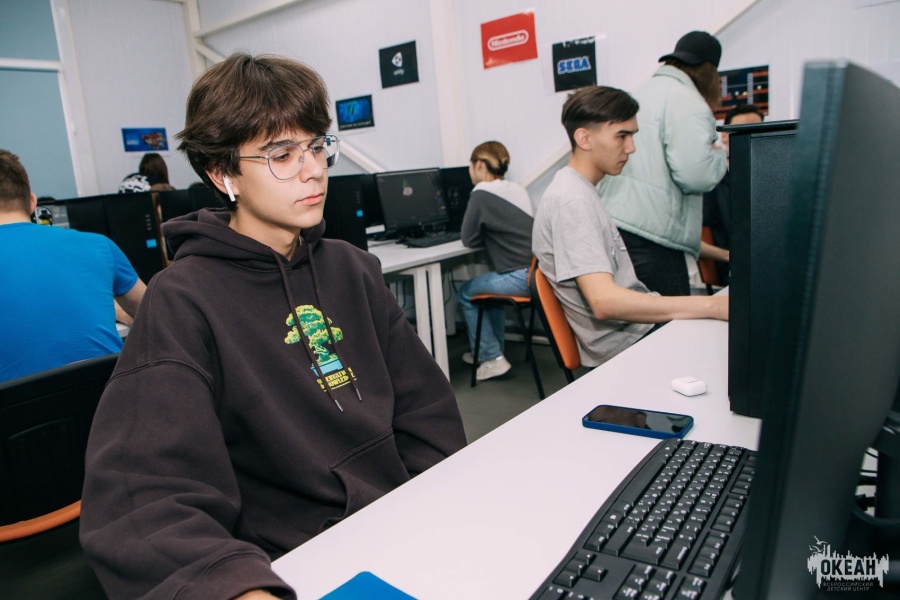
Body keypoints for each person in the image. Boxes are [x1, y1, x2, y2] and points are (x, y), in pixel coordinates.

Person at [79, 53, 467, 600]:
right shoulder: (183, 300)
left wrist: (427, 510)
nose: (313, 170)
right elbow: (143, 499)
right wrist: (236, 587)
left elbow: (427, 414)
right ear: (222, 175)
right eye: (282, 155)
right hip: (292, 564)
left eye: (316, 146)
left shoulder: (353, 269)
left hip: (402, 526)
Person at [532, 86, 728, 368]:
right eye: (621, 136)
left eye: (632, 136)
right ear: (584, 138)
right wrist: (712, 306)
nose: (631, 148)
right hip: (627, 346)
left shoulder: (584, 190)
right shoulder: (571, 200)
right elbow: (604, 302)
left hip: (636, 333)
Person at [599, 31, 728, 296]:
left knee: (639, 317)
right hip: (653, 235)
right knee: (670, 317)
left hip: (620, 227)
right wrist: (719, 156)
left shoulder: (642, 92)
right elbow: (696, 175)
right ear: (710, 71)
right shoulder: (689, 101)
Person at [0, 149, 146, 383]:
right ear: (32, 202)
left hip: (20, 405)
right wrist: (114, 310)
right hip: (112, 398)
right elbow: (155, 313)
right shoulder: (99, 245)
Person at [458, 141, 534, 381]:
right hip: (537, 274)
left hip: (518, 277)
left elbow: (468, 238)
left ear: (479, 164)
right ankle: (488, 351)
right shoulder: (518, 189)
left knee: (466, 293)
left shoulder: (481, 193)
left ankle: (492, 358)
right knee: (489, 297)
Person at [702, 104, 765, 284]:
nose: (749, 137)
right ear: (724, 136)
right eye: (740, 131)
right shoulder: (713, 182)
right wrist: (729, 256)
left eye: (756, 131)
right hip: (737, 273)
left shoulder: (773, 180)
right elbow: (696, 240)